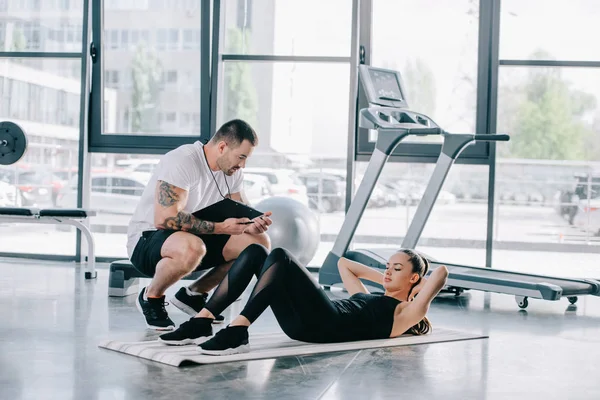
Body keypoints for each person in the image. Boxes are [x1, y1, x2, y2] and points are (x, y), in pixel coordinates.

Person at [158, 244, 449, 355]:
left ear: (414, 280)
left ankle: (238, 329)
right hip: (306, 319)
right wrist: (389, 279)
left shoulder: (405, 314)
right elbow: (345, 264)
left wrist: (413, 287)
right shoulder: (367, 296)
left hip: (323, 326)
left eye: (396, 269)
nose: (387, 271)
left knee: (281, 256)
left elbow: (440, 273)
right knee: (257, 252)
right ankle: (202, 320)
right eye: (387, 266)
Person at [127, 119, 272, 331]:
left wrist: (252, 224)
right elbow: (164, 219)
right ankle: (151, 296)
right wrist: (222, 227)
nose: (242, 165)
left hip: (194, 237)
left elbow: (241, 209)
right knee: (192, 246)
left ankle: (193, 295)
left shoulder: (232, 172)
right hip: (148, 240)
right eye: (241, 157)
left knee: (257, 244)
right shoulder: (183, 161)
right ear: (222, 147)